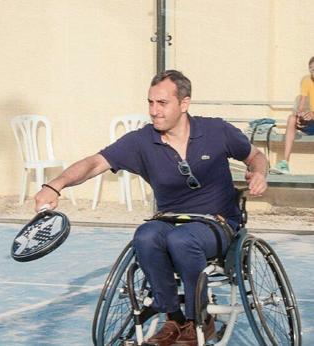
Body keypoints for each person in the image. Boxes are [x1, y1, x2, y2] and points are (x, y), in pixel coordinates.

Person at [34, 70, 268, 346]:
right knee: (145, 235)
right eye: (150, 103)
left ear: (184, 103)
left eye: (162, 103)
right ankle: (174, 318)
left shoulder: (216, 131)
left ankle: (200, 319)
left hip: (217, 222)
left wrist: (259, 172)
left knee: (182, 240)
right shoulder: (142, 141)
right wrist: (54, 185)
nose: (154, 111)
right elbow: (94, 163)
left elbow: (255, 156)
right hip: (168, 220)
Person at [275, 56, 314, 174]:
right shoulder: (306, 81)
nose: (312, 71)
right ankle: (285, 164)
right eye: (310, 68)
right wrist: (299, 115)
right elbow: (302, 103)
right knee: (292, 118)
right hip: (311, 122)